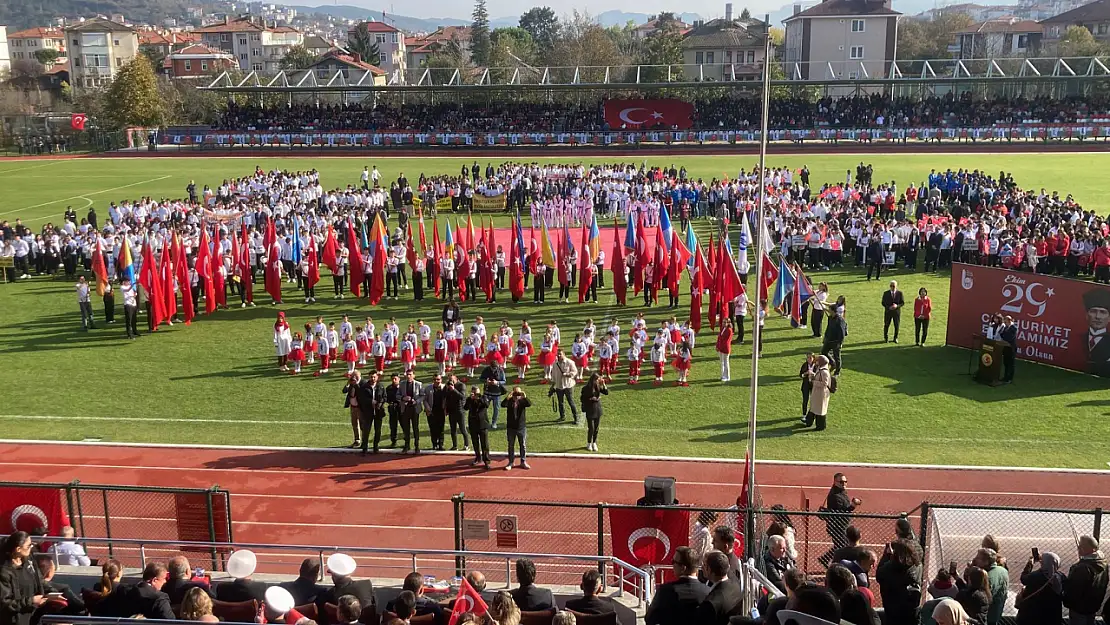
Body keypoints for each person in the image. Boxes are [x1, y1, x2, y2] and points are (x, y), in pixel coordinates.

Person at [646, 546, 709, 625]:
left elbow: (650, 619)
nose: (672, 565)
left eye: (674, 562)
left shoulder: (666, 591)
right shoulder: (708, 592)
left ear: (683, 568)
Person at [0, 532, 44, 625]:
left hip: (33, 617)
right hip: (15, 620)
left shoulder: (28, 562)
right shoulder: (4, 572)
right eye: (29, 546)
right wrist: (31, 601)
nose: (31, 548)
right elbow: (5, 604)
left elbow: (39, 582)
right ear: (18, 549)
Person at [819, 473, 861, 567]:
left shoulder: (841, 491)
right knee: (842, 547)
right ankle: (835, 566)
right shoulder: (835, 496)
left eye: (845, 482)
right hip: (837, 526)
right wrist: (853, 506)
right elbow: (842, 512)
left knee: (840, 545)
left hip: (841, 524)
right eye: (841, 482)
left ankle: (825, 559)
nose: (844, 484)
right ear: (835, 482)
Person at [876, 539, 922, 625]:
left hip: (893, 615)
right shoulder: (917, 567)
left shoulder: (888, 572)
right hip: (912, 616)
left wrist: (886, 556)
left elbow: (879, 574)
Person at [1063, 536, 1107, 625]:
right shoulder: (1103, 564)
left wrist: (1067, 602)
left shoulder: (1081, 568)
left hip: (1079, 609)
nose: (1079, 548)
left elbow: (1073, 591)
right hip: (1093, 606)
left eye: (1081, 546)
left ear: (1084, 549)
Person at [695, 551, 743, 625]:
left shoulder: (710, 604)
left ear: (709, 570)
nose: (701, 567)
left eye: (704, 565)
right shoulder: (736, 586)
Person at [1016, 551, 1065, 625]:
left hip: (1032, 616)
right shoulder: (1061, 577)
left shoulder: (1035, 576)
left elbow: (1023, 579)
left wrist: (1029, 564)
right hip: (1052, 617)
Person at [354, 372, 385, 454]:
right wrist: (370, 401)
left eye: (374, 377)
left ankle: (376, 446)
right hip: (368, 412)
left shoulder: (381, 386)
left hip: (378, 412)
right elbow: (361, 398)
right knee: (366, 430)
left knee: (378, 430)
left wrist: (380, 403)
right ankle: (365, 447)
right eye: (371, 377)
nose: (373, 378)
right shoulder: (364, 387)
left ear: (377, 377)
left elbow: (384, 397)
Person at [800, 355, 833, 431]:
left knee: (820, 410)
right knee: (814, 408)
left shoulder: (824, 372)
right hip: (818, 393)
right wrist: (814, 376)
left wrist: (814, 381)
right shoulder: (821, 369)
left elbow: (825, 383)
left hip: (821, 394)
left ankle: (820, 426)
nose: (816, 362)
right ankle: (808, 421)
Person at [502, 387, 531, 471]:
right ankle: (511, 462)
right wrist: (508, 397)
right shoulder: (509, 401)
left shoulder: (522, 401)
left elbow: (529, 404)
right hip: (511, 427)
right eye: (515, 393)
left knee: (523, 445)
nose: (517, 395)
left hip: (521, 427)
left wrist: (524, 396)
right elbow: (503, 405)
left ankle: (523, 461)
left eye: (518, 393)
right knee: (511, 445)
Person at [1083, 288, 1110, 376]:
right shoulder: (1076, 338)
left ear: (1109, 318)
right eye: (1094, 311)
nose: (1098, 317)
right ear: (1087, 315)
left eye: (1103, 312)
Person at [464, 386, 491, 469]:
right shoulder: (469, 399)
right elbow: (465, 408)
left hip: (483, 424)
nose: (476, 394)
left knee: (484, 444)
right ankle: (477, 457)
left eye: (477, 393)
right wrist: (470, 399)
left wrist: (478, 398)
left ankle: (486, 461)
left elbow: (486, 405)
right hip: (473, 424)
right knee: (475, 443)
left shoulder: (484, 397)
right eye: (474, 393)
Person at [580, 372, 608, 452]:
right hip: (590, 409)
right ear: (594, 380)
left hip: (597, 409)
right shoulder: (586, 388)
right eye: (598, 379)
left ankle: (594, 442)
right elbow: (582, 399)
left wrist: (604, 385)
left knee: (596, 428)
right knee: (591, 428)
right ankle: (589, 443)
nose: (599, 380)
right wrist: (590, 399)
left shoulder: (598, 386)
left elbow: (606, 393)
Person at [550, 351, 580, 424]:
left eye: (560, 354)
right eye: (558, 354)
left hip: (568, 385)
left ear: (564, 354)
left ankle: (576, 418)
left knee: (571, 402)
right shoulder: (555, 364)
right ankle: (562, 416)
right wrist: (552, 386)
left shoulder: (570, 362)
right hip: (559, 386)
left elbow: (575, 372)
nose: (559, 355)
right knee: (561, 402)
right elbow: (553, 375)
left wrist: (567, 374)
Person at [398, 370, 423, 453]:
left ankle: (417, 446)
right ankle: (407, 445)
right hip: (405, 408)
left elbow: (422, 396)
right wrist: (403, 398)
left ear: (414, 375)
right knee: (406, 428)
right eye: (407, 374)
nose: (408, 376)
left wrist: (417, 401)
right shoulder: (402, 384)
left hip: (415, 408)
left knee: (415, 428)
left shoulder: (419, 384)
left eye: (410, 375)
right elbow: (397, 395)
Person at [479, 359, 507, 429]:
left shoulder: (500, 370)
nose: (494, 369)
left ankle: (494, 423)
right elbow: (481, 379)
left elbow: (504, 381)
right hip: (487, 392)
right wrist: (486, 381)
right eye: (492, 368)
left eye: (495, 368)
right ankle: (485, 422)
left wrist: (497, 382)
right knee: (483, 407)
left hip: (497, 393)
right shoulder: (486, 370)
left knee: (496, 409)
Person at [444, 375, 469, 451]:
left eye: (452, 380)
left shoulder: (461, 385)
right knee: (453, 429)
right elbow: (447, 398)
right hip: (452, 411)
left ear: (456, 379)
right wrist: (446, 410)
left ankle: (466, 445)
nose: (451, 381)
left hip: (460, 410)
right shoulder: (447, 386)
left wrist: (454, 389)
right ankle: (455, 446)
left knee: (462, 429)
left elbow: (462, 397)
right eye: (449, 380)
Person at [822, 306, 847, 376]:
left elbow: (842, 332)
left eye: (829, 310)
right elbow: (828, 327)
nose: (828, 311)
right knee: (824, 352)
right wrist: (825, 336)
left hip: (836, 341)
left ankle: (837, 372)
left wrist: (840, 342)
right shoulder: (830, 318)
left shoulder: (840, 320)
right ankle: (833, 363)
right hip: (829, 339)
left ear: (833, 311)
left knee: (837, 356)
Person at [342, 371, 364, 448]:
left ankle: (364, 441)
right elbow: (344, 391)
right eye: (353, 375)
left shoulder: (363, 383)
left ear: (359, 375)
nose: (354, 377)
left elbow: (362, 393)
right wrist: (348, 383)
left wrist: (356, 384)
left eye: (356, 375)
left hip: (360, 407)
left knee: (362, 425)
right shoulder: (351, 383)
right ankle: (357, 440)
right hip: (353, 407)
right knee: (354, 424)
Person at [999, 315, 1018, 383]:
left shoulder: (1014, 328)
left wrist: (1005, 336)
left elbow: (1010, 338)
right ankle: (1005, 377)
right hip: (1006, 348)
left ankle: (1010, 378)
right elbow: (1002, 334)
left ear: (1010, 321)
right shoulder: (1005, 327)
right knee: (1006, 363)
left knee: (1011, 364)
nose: (1005, 323)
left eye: (1006, 322)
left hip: (1011, 348)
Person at [799, 353, 816, 420]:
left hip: (813, 385)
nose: (808, 359)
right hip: (805, 385)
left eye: (810, 358)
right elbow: (800, 375)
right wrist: (805, 373)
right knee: (805, 400)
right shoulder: (804, 365)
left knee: (813, 400)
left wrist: (813, 374)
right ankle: (804, 414)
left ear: (813, 358)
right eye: (807, 358)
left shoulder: (816, 366)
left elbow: (818, 375)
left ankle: (812, 414)